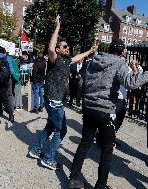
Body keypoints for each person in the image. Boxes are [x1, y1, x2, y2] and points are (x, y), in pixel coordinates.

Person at [68, 39, 148, 189]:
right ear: (122, 52)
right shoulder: (119, 63)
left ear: (108, 48)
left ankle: (73, 178)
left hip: (89, 108)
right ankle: (101, 185)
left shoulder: (92, 61)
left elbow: (82, 83)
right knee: (107, 149)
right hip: (105, 110)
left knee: (85, 143)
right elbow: (131, 83)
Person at [28, 15, 98, 170]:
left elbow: (77, 57)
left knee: (51, 126)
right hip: (54, 101)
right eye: (64, 47)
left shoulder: (66, 61)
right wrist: (57, 27)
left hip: (56, 100)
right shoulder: (54, 60)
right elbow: (51, 48)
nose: (67, 49)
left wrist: (89, 51)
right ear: (59, 50)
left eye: (68, 47)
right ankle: (48, 157)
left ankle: (36, 150)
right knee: (62, 130)